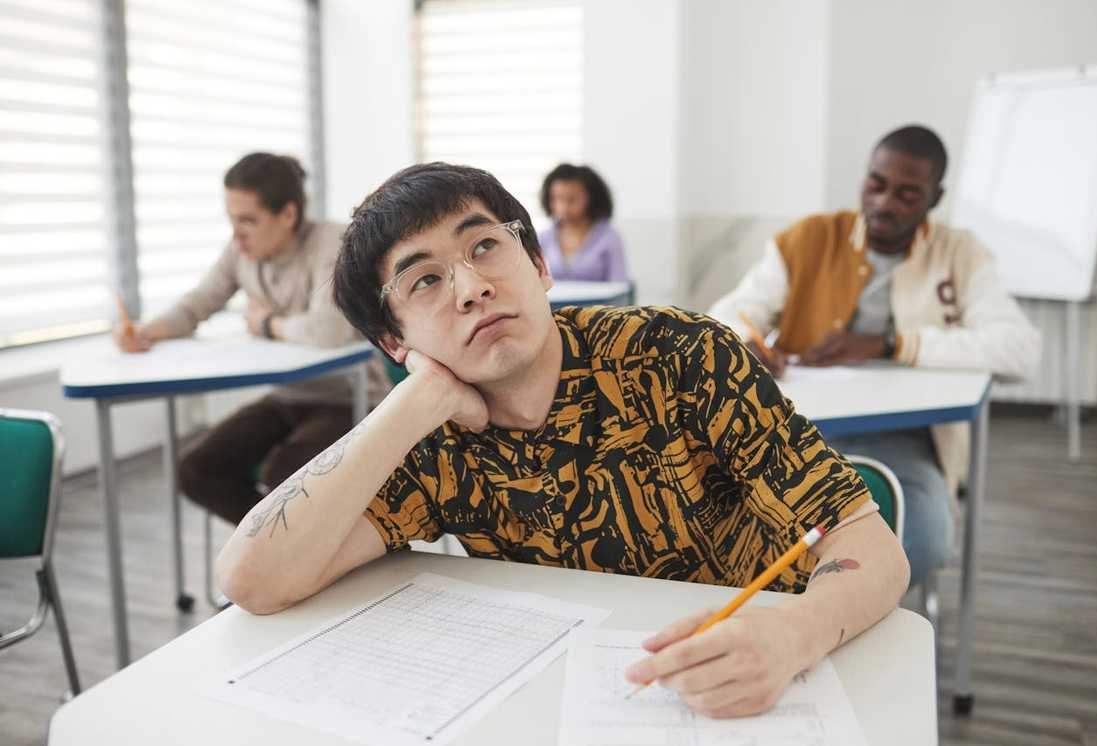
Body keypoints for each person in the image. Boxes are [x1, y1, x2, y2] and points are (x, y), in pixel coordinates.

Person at [216, 162, 909, 719]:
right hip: (573, 701)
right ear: (395, 341)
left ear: (539, 265)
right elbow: (252, 579)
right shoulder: (429, 437)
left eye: (485, 245)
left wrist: (795, 634)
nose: (471, 287)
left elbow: (869, 547)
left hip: (771, 682)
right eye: (425, 279)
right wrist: (410, 404)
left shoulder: (680, 356)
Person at [707, 125, 1041, 588]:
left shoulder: (959, 253)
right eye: (876, 184)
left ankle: (837, 617)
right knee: (728, 527)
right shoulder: (809, 240)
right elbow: (728, 313)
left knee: (920, 536)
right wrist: (747, 341)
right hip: (797, 428)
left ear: (934, 197)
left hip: (902, 438)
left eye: (907, 194)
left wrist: (892, 344)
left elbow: (1019, 348)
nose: (885, 203)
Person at [111, 152, 390, 525]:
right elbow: (199, 302)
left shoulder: (332, 242)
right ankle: (280, 549)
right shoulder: (242, 250)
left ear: (288, 214)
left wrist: (266, 324)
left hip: (351, 398)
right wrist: (147, 332)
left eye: (248, 221)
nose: (236, 234)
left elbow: (329, 331)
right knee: (197, 470)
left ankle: (292, 551)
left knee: (285, 476)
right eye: (231, 220)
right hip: (288, 396)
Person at [538, 163, 629, 282]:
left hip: (599, 301)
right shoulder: (542, 238)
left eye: (572, 200)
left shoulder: (610, 238)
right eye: (558, 198)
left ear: (591, 199)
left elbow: (619, 285)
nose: (564, 207)